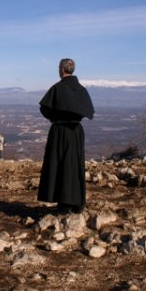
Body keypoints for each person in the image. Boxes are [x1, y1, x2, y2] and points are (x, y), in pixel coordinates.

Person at [37, 58, 94, 213]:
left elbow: (45, 108)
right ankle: (77, 202)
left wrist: (55, 117)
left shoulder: (57, 88)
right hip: (76, 131)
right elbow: (87, 110)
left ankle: (63, 202)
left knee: (59, 164)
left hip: (60, 130)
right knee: (75, 164)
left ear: (62, 69)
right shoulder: (82, 90)